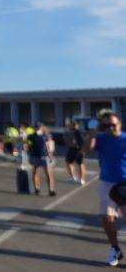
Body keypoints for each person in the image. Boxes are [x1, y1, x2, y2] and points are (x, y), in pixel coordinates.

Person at [90, 112, 126, 267]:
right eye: (106, 125)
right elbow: (87, 149)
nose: (110, 128)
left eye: (113, 125)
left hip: (125, 183)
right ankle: (115, 249)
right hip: (107, 183)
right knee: (107, 218)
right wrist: (93, 132)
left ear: (120, 124)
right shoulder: (101, 138)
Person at [28, 123, 56, 197]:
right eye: (36, 127)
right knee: (36, 172)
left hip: (44, 156)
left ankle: (51, 189)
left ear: (41, 127)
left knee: (48, 173)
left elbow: (50, 144)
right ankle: (37, 188)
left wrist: (50, 154)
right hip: (35, 155)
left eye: (39, 127)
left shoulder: (46, 135)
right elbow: (28, 143)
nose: (37, 128)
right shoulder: (32, 136)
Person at [65, 120, 87, 185]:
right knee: (69, 162)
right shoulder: (73, 132)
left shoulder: (77, 132)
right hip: (74, 149)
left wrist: (81, 150)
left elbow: (81, 141)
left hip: (78, 149)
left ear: (74, 125)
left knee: (80, 163)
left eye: (70, 125)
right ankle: (74, 178)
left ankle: (81, 179)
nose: (69, 126)